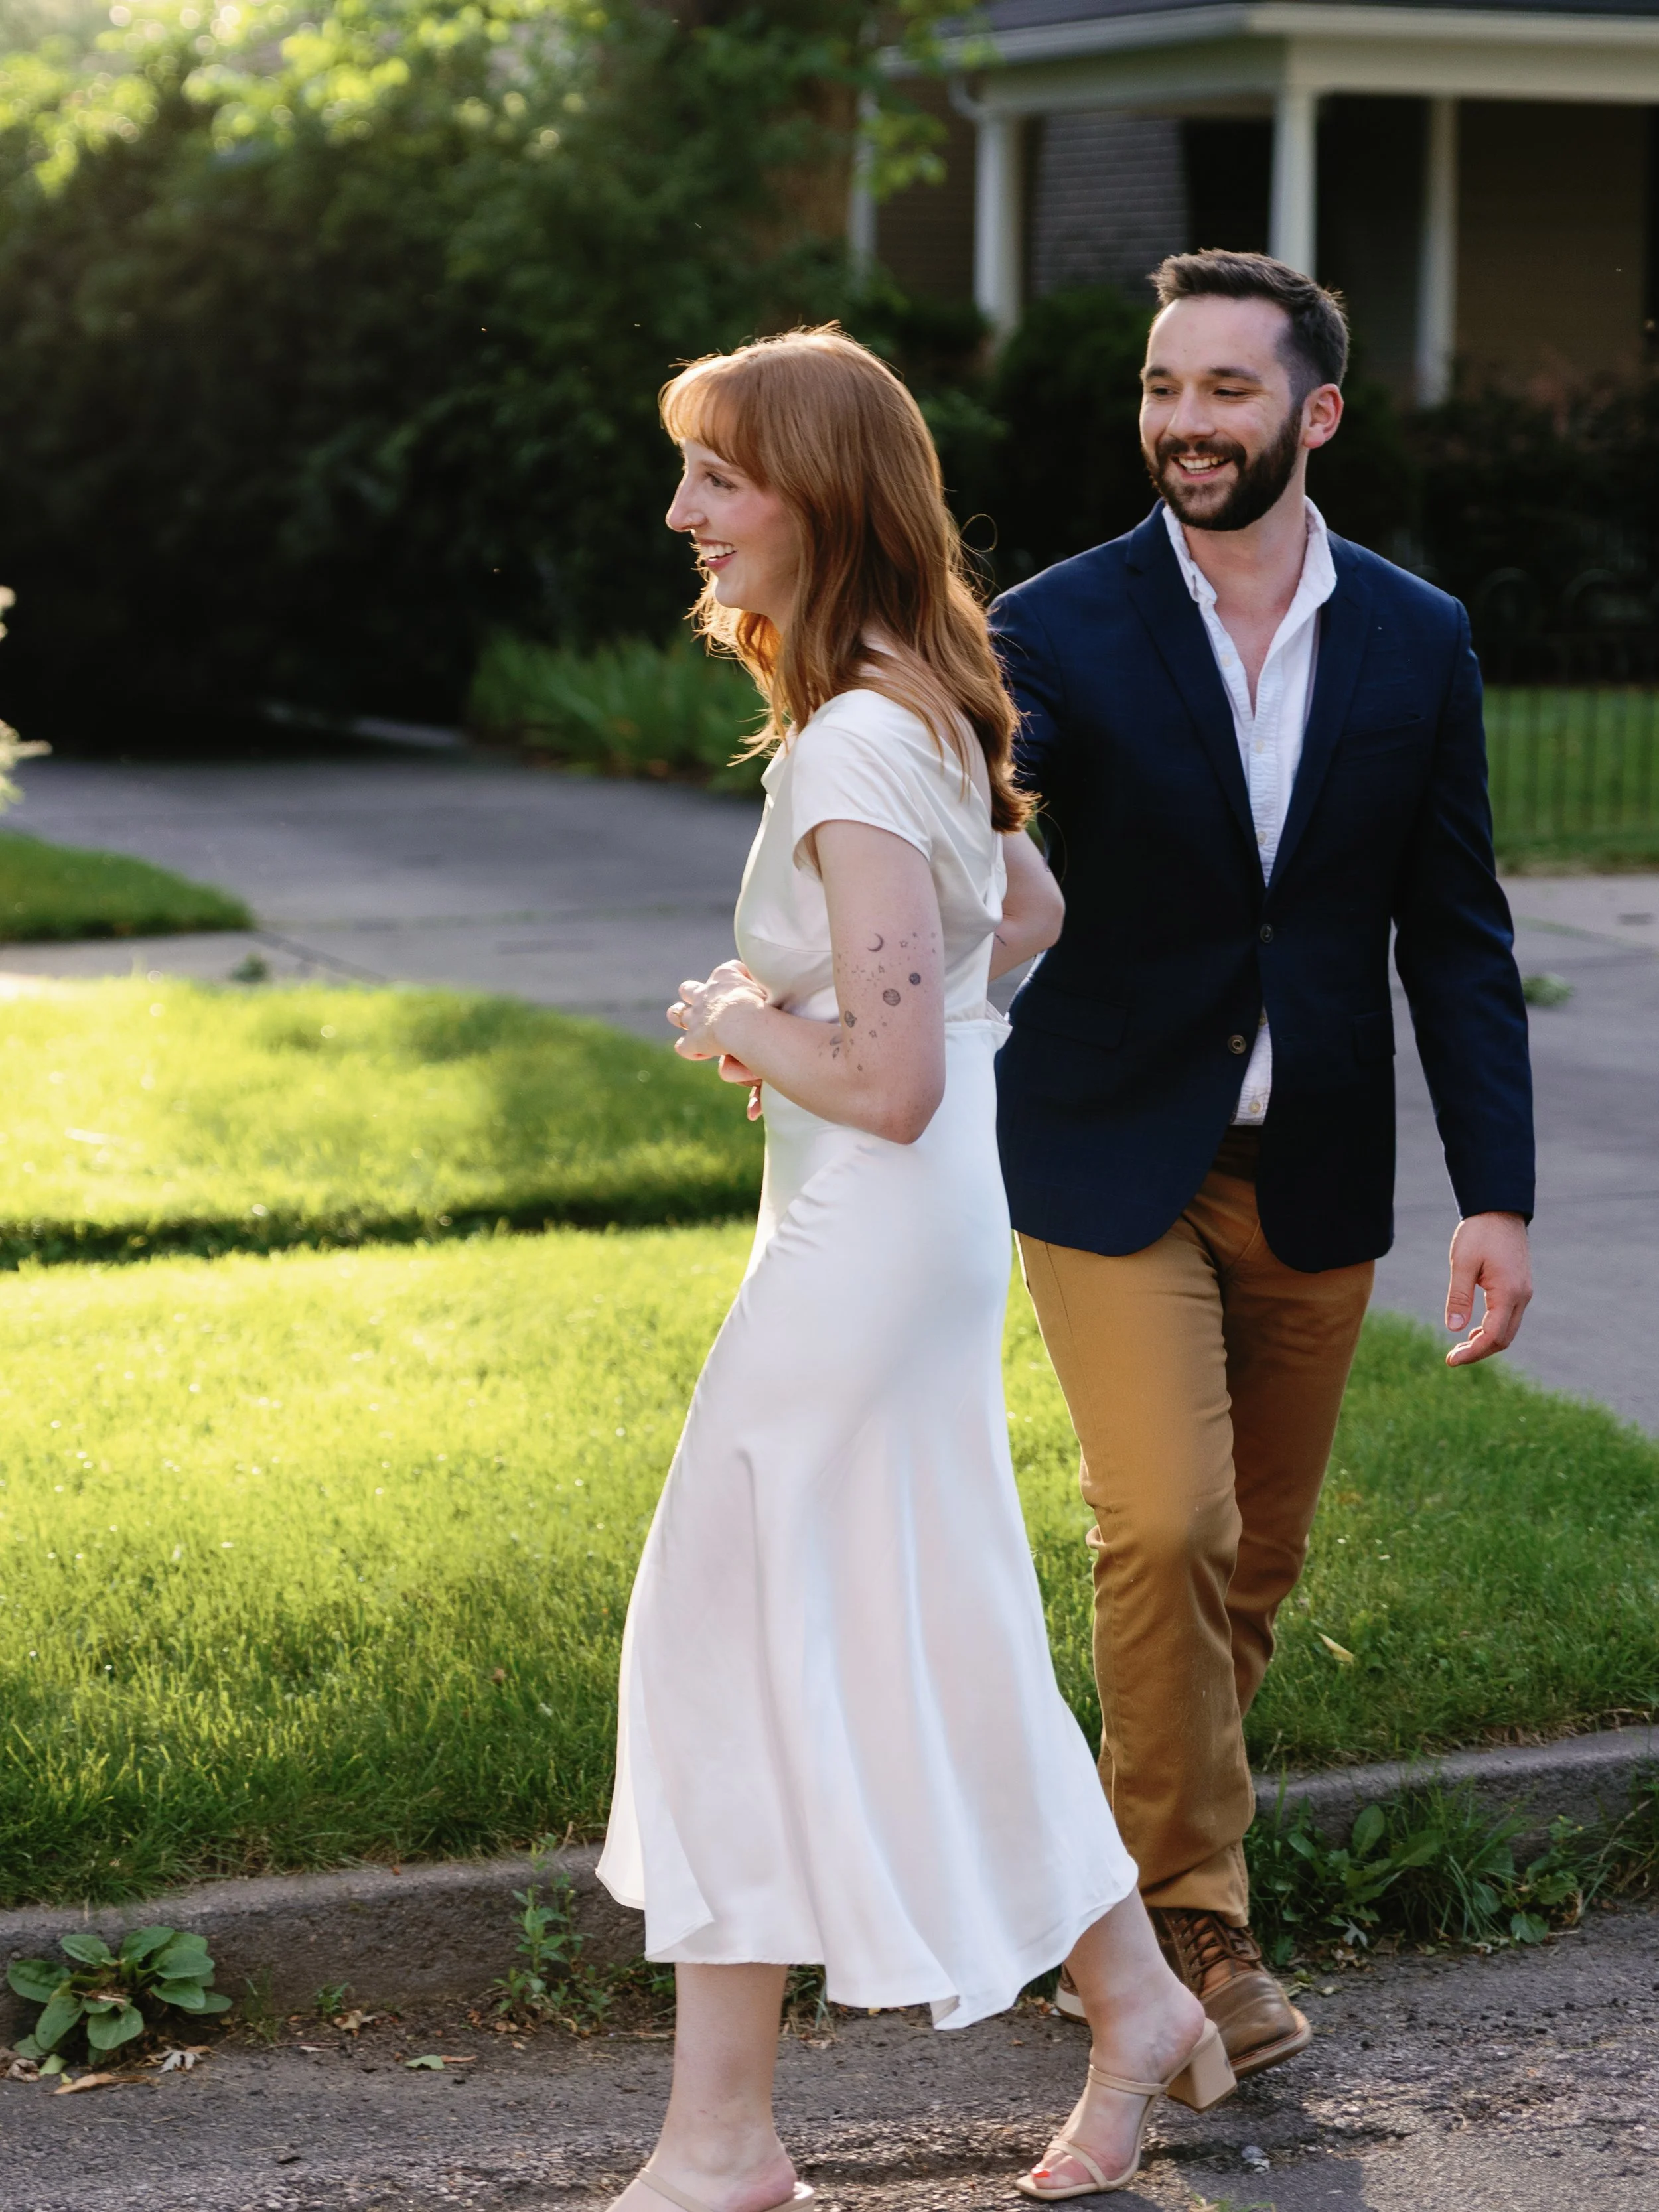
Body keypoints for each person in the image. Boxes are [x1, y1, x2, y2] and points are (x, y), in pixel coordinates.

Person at [595, 325, 1236, 2212]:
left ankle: (723, 2141)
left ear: (819, 496)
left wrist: (738, 1016)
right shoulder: (913, 708)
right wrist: (855, 1006)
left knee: (729, 1629)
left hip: (865, 1246)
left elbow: (887, 1076)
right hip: (904, 1237)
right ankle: (1130, 1993)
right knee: (913, 1623)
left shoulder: (861, 740)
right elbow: (1020, 911)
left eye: (719, 474)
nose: (685, 510)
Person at [991, 251, 1536, 2079]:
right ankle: (1190, 1936)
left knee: (1246, 1576)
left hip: (1310, 1167)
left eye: (1223, 391)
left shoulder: (1411, 634)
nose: (1183, 425)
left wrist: (1497, 1192)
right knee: (1163, 1523)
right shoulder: (1048, 630)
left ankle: (1083, 1891)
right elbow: (964, 811)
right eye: (1161, 387)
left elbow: (1451, 932)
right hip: (1105, 1149)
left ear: (1310, 412)